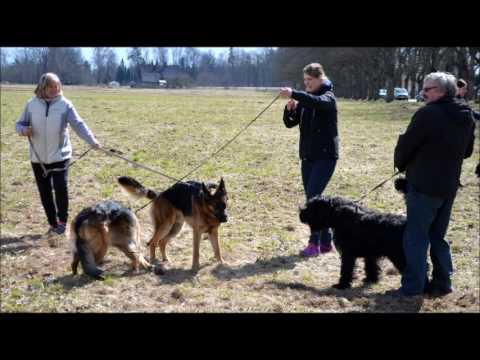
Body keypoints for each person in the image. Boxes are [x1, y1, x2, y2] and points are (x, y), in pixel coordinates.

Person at [394, 72, 475, 296]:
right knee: (437, 236)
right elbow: (467, 151)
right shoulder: (466, 114)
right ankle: (443, 283)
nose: (423, 93)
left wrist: (401, 164)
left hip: (423, 185)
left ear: (440, 91)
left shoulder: (427, 114)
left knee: (416, 237)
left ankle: (413, 287)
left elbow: (406, 146)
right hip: (448, 186)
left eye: (427, 89)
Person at [15, 73, 101, 246]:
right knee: (44, 191)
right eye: (51, 86)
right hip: (38, 157)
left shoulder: (65, 105)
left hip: (60, 155)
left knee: (60, 186)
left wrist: (92, 141)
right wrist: (24, 130)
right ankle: (52, 223)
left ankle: (62, 221)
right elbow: (19, 124)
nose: (55, 89)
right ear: (43, 87)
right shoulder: (31, 105)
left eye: (58, 86)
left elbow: (78, 124)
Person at [280, 63, 338, 257]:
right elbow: (290, 123)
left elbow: (318, 103)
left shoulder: (328, 97)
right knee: (313, 198)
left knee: (313, 198)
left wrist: (295, 94)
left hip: (326, 156)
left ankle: (314, 244)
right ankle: (327, 240)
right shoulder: (306, 99)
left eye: (309, 80)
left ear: (320, 78)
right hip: (307, 156)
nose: (306, 83)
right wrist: (290, 110)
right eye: (304, 80)